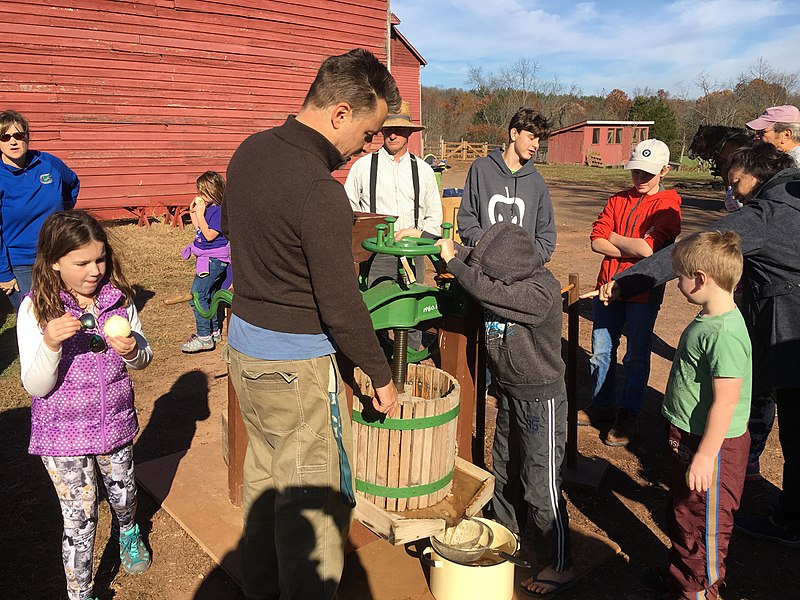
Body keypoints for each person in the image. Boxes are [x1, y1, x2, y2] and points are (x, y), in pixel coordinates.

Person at [221, 48, 401, 600]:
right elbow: (340, 302)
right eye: (369, 132)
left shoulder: (249, 151)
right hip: (294, 370)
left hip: (243, 351)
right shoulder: (321, 191)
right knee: (313, 510)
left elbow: (233, 230)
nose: (367, 146)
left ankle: (259, 590)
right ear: (341, 113)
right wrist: (380, 372)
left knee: (264, 481)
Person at [599, 143, 800, 548]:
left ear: (756, 171)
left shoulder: (767, 213)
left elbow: (694, 248)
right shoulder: (793, 196)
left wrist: (629, 281)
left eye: (736, 178)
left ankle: (789, 521)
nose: (733, 188)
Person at [16, 210, 153, 600]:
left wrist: (132, 350)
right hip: (63, 436)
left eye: (100, 259)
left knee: (124, 495)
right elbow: (36, 385)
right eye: (81, 263)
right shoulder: (36, 310)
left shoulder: (118, 300)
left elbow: (144, 358)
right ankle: (81, 592)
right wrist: (50, 344)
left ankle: (128, 531)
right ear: (55, 262)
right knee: (80, 519)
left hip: (114, 424)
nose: (94, 270)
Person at [436, 222, 574, 598]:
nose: (485, 273)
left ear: (511, 269)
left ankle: (560, 563)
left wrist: (457, 265)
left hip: (540, 399)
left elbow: (482, 286)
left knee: (540, 481)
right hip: (511, 391)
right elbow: (477, 265)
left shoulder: (539, 292)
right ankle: (507, 534)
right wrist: (440, 243)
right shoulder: (512, 272)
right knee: (505, 465)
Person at [662, 231, 751, 600]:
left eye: (679, 275)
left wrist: (705, 455)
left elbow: (726, 402)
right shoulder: (710, 319)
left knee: (705, 525)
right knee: (685, 511)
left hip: (712, 448)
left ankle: (700, 588)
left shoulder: (726, 333)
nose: (677, 282)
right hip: (689, 436)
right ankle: (681, 575)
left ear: (700, 279)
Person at [579, 139, 682, 446]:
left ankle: (629, 412)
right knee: (601, 350)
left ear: (664, 171)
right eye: (636, 172)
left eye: (647, 173)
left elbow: (650, 249)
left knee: (636, 355)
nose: (640, 179)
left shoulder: (668, 205)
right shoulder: (617, 200)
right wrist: (632, 245)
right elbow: (597, 240)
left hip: (641, 291)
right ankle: (602, 404)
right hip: (607, 287)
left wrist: (615, 238)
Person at [344, 100, 442, 348]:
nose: (393, 135)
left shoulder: (423, 171)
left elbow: (434, 214)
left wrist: (419, 236)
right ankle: (378, 361)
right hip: (376, 253)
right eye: (388, 130)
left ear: (409, 133)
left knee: (412, 309)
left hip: (412, 251)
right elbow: (349, 209)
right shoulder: (363, 167)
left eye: (399, 130)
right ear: (382, 132)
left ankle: (408, 362)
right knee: (375, 308)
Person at [0, 109, 80, 311]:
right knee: (37, 317)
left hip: (57, 253)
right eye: (5, 136)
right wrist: (3, 272)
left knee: (69, 309)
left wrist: (63, 214)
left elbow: (71, 183)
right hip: (21, 263)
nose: (13, 142)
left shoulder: (48, 163)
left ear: (27, 136)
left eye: (19, 135)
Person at [457, 108, 556, 264]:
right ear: (514, 134)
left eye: (539, 140)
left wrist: (531, 261)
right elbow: (467, 218)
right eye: (531, 137)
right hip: (483, 267)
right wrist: (481, 245)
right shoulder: (481, 169)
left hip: (522, 272)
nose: (536, 145)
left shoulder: (537, 182)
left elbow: (547, 234)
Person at [179, 170, 231, 353]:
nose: (200, 195)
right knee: (209, 294)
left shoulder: (219, 211)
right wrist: (194, 212)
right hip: (208, 259)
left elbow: (209, 236)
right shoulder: (209, 209)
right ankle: (214, 332)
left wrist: (201, 214)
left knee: (197, 296)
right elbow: (199, 228)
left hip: (214, 260)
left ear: (213, 191)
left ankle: (204, 337)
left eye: (203, 192)